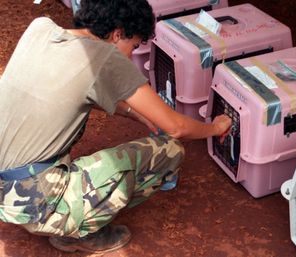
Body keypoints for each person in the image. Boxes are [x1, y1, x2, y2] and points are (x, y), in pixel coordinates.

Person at [0, 0, 231, 254]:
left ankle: (56, 213)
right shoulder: (104, 57)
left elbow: (73, 92)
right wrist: (215, 127)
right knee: (170, 150)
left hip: (7, 191)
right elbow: (177, 127)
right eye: (133, 45)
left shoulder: (41, 28)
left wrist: (136, 114)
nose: (131, 55)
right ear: (118, 33)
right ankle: (77, 232)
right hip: (36, 203)